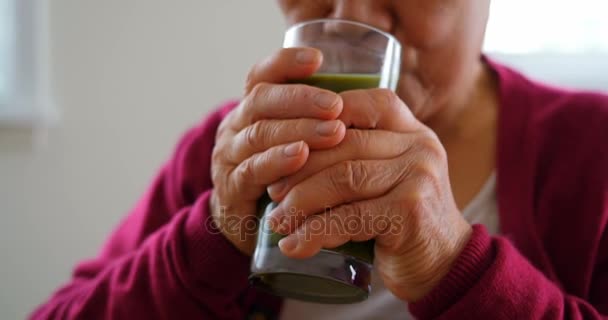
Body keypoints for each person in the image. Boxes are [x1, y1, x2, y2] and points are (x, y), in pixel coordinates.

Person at [32, 1, 608, 319]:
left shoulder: (591, 149)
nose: (351, 14)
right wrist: (215, 235)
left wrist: (453, 266)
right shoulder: (234, 151)